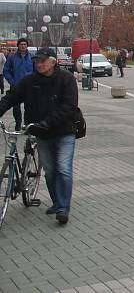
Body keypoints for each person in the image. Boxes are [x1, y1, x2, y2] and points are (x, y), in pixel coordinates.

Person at [0, 47, 79, 224]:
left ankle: (63, 209)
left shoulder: (66, 79)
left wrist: (47, 122)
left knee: (63, 169)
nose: (39, 64)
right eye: (37, 61)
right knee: (50, 172)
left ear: (53, 61)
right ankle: (57, 202)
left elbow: (69, 107)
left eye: (43, 61)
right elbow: (11, 97)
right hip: (41, 133)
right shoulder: (29, 81)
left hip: (64, 131)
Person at [3, 39, 34, 130]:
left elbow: (36, 71)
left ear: (27, 45)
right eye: (21, 44)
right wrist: (11, 81)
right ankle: (18, 123)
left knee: (29, 106)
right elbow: (6, 70)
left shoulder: (32, 57)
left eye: (25, 44)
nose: (23, 46)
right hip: (16, 85)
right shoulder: (12, 57)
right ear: (18, 45)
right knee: (16, 107)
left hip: (29, 86)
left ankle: (27, 124)